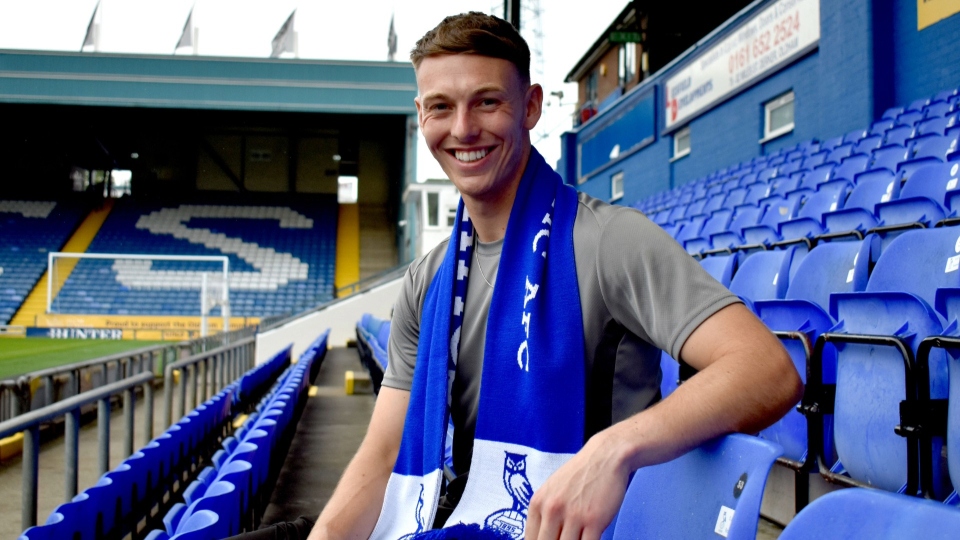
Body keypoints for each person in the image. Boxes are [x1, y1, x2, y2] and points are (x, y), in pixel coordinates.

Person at [238, 11, 802, 540]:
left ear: (530, 106)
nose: (463, 128)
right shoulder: (428, 281)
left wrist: (616, 448)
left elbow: (767, 370)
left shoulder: (609, 241)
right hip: (451, 518)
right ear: (420, 116)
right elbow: (384, 456)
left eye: (487, 102)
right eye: (440, 107)